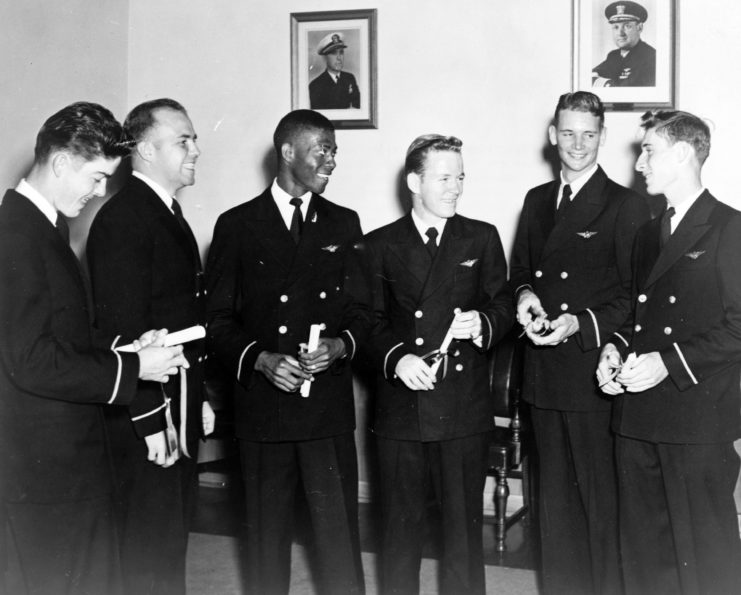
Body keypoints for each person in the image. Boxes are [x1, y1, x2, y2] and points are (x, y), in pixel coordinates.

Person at [0, 102, 187, 595]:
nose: (101, 191)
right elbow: (30, 359)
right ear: (61, 163)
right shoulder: (15, 236)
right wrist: (132, 368)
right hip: (45, 478)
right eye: (98, 176)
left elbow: (67, 337)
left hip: (68, 467)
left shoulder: (45, 229)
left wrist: (131, 351)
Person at [205, 109, 368, 595]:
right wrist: (260, 359)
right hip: (264, 409)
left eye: (335, 151)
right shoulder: (236, 225)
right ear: (288, 151)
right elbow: (215, 321)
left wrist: (339, 347)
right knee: (264, 542)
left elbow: (362, 314)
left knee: (339, 543)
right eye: (323, 149)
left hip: (326, 411)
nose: (332, 161)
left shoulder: (344, 223)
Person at [359, 134, 514, 594]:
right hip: (401, 411)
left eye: (460, 177)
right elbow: (364, 320)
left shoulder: (481, 237)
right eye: (444, 178)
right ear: (414, 181)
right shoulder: (379, 245)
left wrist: (482, 322)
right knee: (399, 534)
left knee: (463, 537)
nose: (455, 188)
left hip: (462, 409)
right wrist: (398, 357)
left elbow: (504, 305)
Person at [510, 91, 650, 594]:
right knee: (552, 510)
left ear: (603, 138)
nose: (577, 144)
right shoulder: (535, 200)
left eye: (588, 134)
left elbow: (636, 299)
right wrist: (524, 295)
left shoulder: (628, 206)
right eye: (568, 132)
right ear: (553, 135)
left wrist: (579, 324)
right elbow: (521, 271)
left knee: (600, 508)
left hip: (593, 376)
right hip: (542, 378)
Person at [597, 110, 741, 594]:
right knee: (642, 552)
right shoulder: (646, 234)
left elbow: (739, 328)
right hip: (638, 417)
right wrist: (613, 352)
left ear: (682, 154)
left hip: (697, 420)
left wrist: (666, 363)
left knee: (705, 555)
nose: (640, 164)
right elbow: (634, 319)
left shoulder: (730, 228)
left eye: (649, 151)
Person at [87, 98, 213, 595]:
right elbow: (119, 334)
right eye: (184, 140)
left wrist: (198, 396)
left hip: (175, 401)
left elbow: (176, 318)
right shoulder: (125, 218)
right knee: (147, 547)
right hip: (149, 414)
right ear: (143, 149)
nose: (196, 150)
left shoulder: (164, 211)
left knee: (168, 540)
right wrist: (148, 419)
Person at [592, 1, 656, 87]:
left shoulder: (650, 56)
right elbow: (589, 76)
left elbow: (627, 90)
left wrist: (604, 84)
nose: (620, 33)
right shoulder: (613, 56)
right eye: (616, 27)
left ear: (640, 28)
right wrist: (607, 83)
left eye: (627, 26)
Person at [309, 32, 361, 109]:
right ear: (325, 57)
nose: (339, 58)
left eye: (341, 52)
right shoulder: (316, 85)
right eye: (333, 53)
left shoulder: (350, 78)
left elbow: (358, 107)